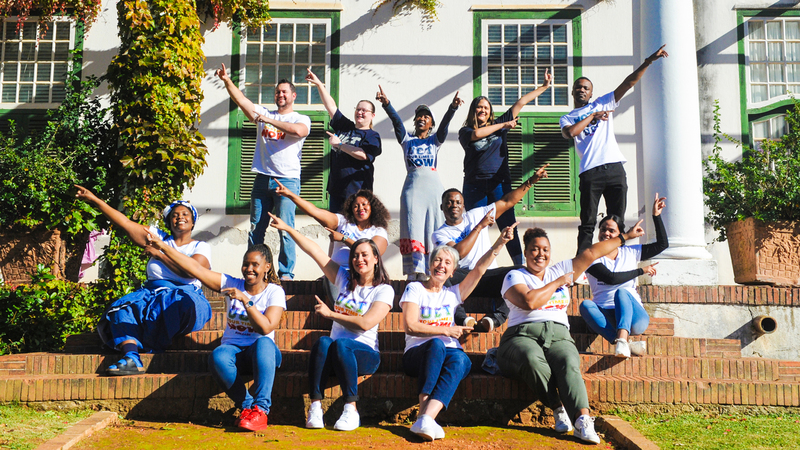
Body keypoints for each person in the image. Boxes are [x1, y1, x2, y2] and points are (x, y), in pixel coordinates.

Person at [497, 222, 645, 444]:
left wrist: (625, 237)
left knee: (568, 360)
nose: (541, 254)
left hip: (558, 334)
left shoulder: (560, 268)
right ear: (526, 252)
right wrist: (557, 282)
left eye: (545, 250)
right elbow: (529, 302)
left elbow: (592, 252)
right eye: (535, 249)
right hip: (521, 335)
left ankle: (583, 421)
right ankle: (557, 406)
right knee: (531, 359)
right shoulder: (515, 275)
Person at [268, 213, 394, 431]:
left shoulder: (383, 290)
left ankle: (350, 409)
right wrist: (288, 229)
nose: (359, 260)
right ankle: (315, 407)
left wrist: (332, 314)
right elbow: (314, 251)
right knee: (324, 343)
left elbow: (365, 323)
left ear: (376, 258)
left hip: (365, 355)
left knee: (341, 344)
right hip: (335, 354)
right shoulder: (344, 279)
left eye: (365, 255)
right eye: (355, 256)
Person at [146, 237, 285, 432]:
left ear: (267, 267)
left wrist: (246, 300)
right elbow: (197, 270)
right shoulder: (231, 283)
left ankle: (261, 409)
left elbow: (266, 327)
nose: (249, 269)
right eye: (246, 264)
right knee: (218, 355)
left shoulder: (274, 291)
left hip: (264, 354)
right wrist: (163, 248)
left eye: (255, 264)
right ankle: (248, 407)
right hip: (234, 352)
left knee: (264, 343)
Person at [74, 185, 212, 376]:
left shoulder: (200, 246)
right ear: (168, 221)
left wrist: (160, 254)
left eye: (185, 214)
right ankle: (131, 357)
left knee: (175, 304)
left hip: (185, 298)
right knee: (122, 309)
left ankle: (148, 343)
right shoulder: (158, 238)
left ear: (193, 222)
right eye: (175, 215)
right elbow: (124, 222)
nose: (180, 217)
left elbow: (192, 272)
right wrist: (95, 200)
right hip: (151, 294)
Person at [401, 223, 517, 441]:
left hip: (448, 354)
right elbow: (409, 326)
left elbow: (480, 270)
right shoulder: (415, 288)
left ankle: (427, 418)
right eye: (437, 260)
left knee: (462, 360)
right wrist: (446, 329)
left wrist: (500, 243)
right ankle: (423, 412)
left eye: (447, 263)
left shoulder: (454, 293)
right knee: (436, 344)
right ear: (429, 264)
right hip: (417, 353)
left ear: (453, 271)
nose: (441, 265)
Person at [560, 45, 668, 254]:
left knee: (617, 220)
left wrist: (648, 61)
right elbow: (571, 132)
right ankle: (581, 266)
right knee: (588, 221)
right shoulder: (568, 117)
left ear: (591, 93)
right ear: (573, 91)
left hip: (614, 168)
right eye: (578, 87)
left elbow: (629, 82)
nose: (582, 90)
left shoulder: (603, 102)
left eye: (586, 88)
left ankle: (616, 260)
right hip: (590, 171)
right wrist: (592, 116)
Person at [217, 63, 311, 280]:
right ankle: (256, 271)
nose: (280, 95)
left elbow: (298, 131)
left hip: (287, 181)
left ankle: (286, 273)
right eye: (278, 92)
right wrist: (227, 81)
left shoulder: (299, 118)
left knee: (285, 228)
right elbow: (242, 101)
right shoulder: (263, 112)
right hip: (262, 178)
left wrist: (268, 120)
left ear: (293, 95)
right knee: (256, 229)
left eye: (284, 92)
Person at [432, 165, 549, 332]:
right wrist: (480, 226)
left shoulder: (475, 214)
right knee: (442, 275)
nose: (454, 205)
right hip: (465, 277)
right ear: (442, 207)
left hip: (488, 275)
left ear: (463, 206)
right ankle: (463, 319)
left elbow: (507, 201)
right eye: (449, 202)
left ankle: (494, 319)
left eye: (458, 202)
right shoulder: (439, 234)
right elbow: (457, 253)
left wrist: (531, 181)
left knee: (520, 272)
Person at [459, 70, 552, 265]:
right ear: (473, 111)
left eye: (486, 107)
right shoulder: (465, 131)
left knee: (508, 225)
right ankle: (473, 268)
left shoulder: (502, 123)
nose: (482, 110)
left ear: (491, 112)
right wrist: (503, 127)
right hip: (474, 186)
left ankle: (518, 265)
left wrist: (543, 87)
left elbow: (520, 102)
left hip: (499, 184)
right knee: (475, 227)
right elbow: (477, 134)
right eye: (479, 107)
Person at [375, 85, 463, 280]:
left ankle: (433, 269)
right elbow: (397, 123)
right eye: (419, 116)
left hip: (433, 191)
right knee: (413, 227)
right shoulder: (407, 140)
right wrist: (386, 104)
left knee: (433, 228)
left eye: (426, 116)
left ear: (431, 122)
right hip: (413, 191)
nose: (422, 118)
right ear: (415, 121)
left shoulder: (435, 141)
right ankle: (414, 272)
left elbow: (445, 127)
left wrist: (453, 108)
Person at [581, 193, 668, 358]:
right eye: (603, 230)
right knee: (585, 305)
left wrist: (655, 217)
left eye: (611, 231)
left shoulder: (630, 252)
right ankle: (623, 343)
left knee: (622, 292)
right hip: (605, 316)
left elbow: (662, 245)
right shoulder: (591, 256)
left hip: (634, 317)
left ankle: (622, 340)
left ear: (620, 234)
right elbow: (611, 279)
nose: (606, 233)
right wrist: (641, 271)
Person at [274, 181, 389, 303]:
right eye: (356, 206)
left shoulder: (379, 231)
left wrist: (344, 239)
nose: (360, 208)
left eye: (364, 204)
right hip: (337, 273)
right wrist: (290, 195)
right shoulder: (342, 221)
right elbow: (314, 211)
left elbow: (372, 251)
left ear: (372, 207)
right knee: (340, 304)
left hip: (364, 275)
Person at [305, 68, 382, 214]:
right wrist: (319, 85)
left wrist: (340, 145)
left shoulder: (373, 136)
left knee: (355, 230)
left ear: (372, 115)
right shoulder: (345, 126)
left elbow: (363, 155)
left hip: (358, 193)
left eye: (364, 110)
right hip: (336, 190)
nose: (360, 112)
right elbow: (331, 106)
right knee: (335, 229)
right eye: (358, 109)